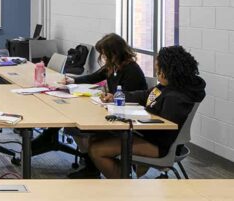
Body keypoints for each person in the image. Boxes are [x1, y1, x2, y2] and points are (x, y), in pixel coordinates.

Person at [32, 33, 147, 178]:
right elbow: (94, 77)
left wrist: (111, 98)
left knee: (83, 128)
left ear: (115, 53)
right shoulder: (113, 66)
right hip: (110, 110)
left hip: (125, 118)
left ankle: (92, 167)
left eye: (105, 54)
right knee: (75, 126)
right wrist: (73, 81)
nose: (104, 57)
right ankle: (90, 163)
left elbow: (130, 98)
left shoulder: (132, 70)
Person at [89, 46, 206, 179]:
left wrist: (130, 119)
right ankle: (124, 177)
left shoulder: (177, 97)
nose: (157, 74)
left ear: (169, 70)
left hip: (161, 145)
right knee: (96, 138)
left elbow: (163, 129)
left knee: (97, 150)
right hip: (149, 136)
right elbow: (145, 95)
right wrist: (117, 96)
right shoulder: (168, 86)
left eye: (158, 70)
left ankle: (125, 189)